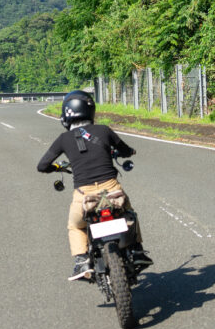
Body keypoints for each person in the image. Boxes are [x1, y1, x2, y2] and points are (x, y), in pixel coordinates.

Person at [37, 90, 152, 280]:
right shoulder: (104, 130)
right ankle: (137, 250)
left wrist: (56, 167)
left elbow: (42, 165)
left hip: (85, 196)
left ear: (67, 114)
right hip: (112, 190)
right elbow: (124, 149)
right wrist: (128, 152)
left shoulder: (64, 139)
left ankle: (82, 262)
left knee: (76, 226)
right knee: (129, 214)